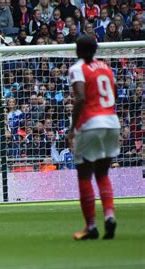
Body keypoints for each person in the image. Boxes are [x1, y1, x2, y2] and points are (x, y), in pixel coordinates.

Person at [67, 35, 120, 241]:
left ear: (77, 50)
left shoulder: (77, 68)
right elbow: (113, 92)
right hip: (112, 121)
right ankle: (109, 215)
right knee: (103, 173)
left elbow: (80, 97)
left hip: (90, 123)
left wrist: (72, 128)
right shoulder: (106, 68)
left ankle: (91, 226)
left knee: (84, 174)